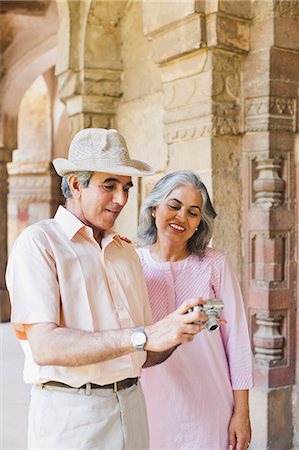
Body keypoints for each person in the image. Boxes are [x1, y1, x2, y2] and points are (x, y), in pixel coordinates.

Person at [6, 130, 209, 450]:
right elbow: (45, 346)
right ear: (75, 184)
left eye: (126, 187)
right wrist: (142, 335)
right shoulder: (39, 244)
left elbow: (143, 354)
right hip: (71, 417)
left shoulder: (126, 252)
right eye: (109, 186)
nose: (122, 199)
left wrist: (177, 330)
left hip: (132, 407)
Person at [137, 170, 254, 450]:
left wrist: (242, 412)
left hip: (211, 406)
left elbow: (236, 342)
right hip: (149, 406)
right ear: (154, 208)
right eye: (174, 206)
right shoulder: (133, 264)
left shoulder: (215, 265)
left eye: (193, 212)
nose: (181, 218)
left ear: (200, 222)